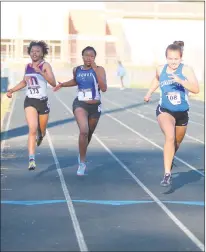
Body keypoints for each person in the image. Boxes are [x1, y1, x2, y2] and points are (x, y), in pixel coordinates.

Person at [144, 41, 199, 186]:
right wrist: (149, 93)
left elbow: (196, 89)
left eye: (176, 59)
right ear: (166, 58)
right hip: (165, 110)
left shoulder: (186, 70)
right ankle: (167, 174)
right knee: (170, 136)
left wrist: (181, 81)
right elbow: (157, 79)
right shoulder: (161, 68)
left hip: (182, 113)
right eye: (170, 59)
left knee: (176, 143)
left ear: (181, 58)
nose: (173, 62)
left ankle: (170, 158)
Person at [53, 46, 107, 176]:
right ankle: (82, 163)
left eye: (92, 56)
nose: (89, 58)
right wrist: (63, 84)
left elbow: (104, 88)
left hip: (95, 106)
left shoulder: (99, 69)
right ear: (82, 56)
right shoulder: (77, 69)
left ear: (95, 57)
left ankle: (81, 153)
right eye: (86, 55)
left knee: (88, 134)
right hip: (80, 104)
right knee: (84, 131)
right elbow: (76, 81)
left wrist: (95, 70)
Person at [6, 40, 57, 170]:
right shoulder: (27, 66)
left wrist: (41, 72)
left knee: (42, 131)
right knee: (32, 128)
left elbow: (53, 83)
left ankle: (41, 135)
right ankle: (31, 159)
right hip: (30, 101)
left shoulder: (45, 65)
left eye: (37, 51)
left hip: (42, 102)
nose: (34, 53)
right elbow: (24, 82)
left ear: (42, 53)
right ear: (29, 52)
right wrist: (12, 90)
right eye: (32, 51)